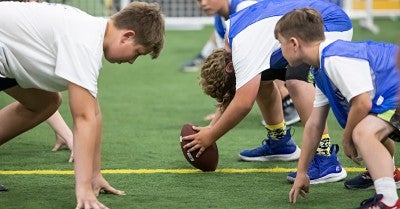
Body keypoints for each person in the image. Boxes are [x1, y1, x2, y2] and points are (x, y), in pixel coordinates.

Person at [0, 1, 164, 208]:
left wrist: (95, 175)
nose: (132, 61)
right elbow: (84, 119)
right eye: (138, 53)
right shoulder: (85, 41)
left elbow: (93, 114)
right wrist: (84, 189)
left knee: (46, 102)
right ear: (128, 36)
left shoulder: (90, 33)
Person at [183, 0, 351, 184]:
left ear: (231, 67)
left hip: (328, 24)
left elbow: (242, 103)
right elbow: (235, 92)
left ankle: (325, 157)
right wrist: (211, 127)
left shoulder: (243, 51)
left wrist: (211, 136)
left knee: (295, 81)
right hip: (306, 25)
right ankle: (280, 142)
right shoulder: (230, 42)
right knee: (261, 79)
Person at [277, 8, 400, 209]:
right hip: (392, 95)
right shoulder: (321, 68)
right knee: (368, 124)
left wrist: (347, 137)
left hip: (395, 93)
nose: (280, 49)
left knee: (362, 131)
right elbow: (314, 125)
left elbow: (362, 103)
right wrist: (302, 172)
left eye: (280, 43)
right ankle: (388, 179)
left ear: (293, 44)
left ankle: (389, 201)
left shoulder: (334, 58)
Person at [190, 0, 301, 126]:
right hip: (280, 52)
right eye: (199, 1)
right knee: (256, 71)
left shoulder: (245, 7)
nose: (203, 3)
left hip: (296, 39)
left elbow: (262, 47)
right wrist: (221, 114)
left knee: (259, 69)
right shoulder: (220, 24)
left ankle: (287, 98)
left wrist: (211, 132)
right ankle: (279, 135)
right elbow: (228, 66)